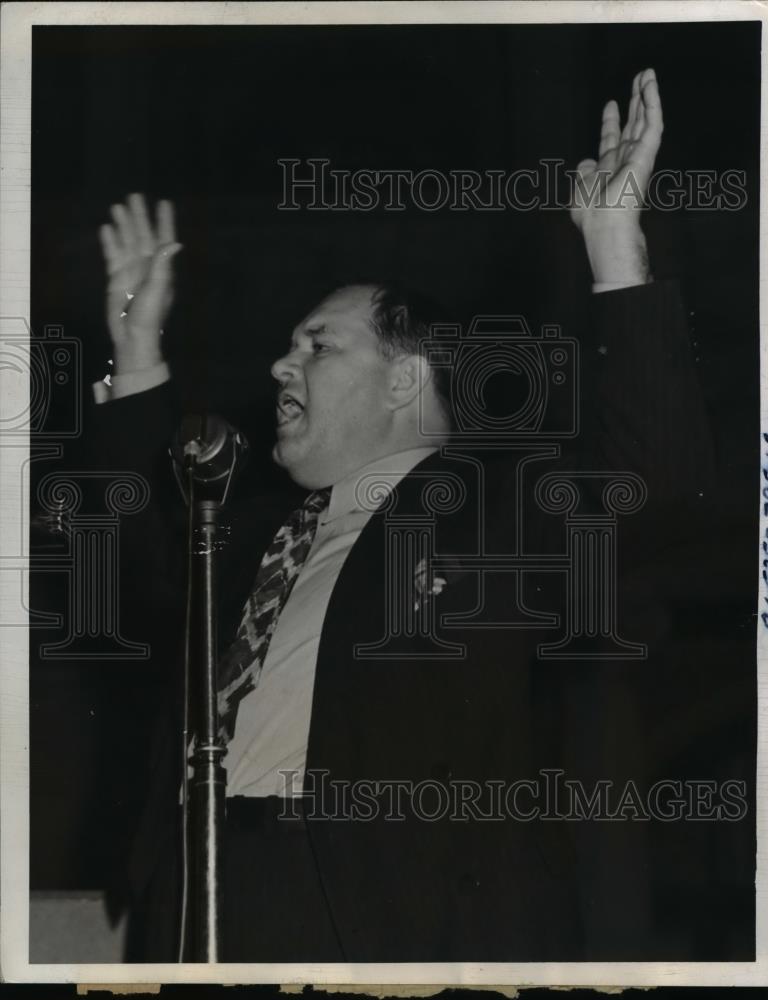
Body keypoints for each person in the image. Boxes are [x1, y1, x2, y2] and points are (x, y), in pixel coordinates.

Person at [92, 69, 713, 961]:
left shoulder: (485, 517)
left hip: (381, 912)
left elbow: (655, 476)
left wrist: (615, 242)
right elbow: (129, 565)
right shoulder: (242, 537)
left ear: (404, 378)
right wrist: (137, 346)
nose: (278, 365)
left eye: (318, 344)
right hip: (206, 899)